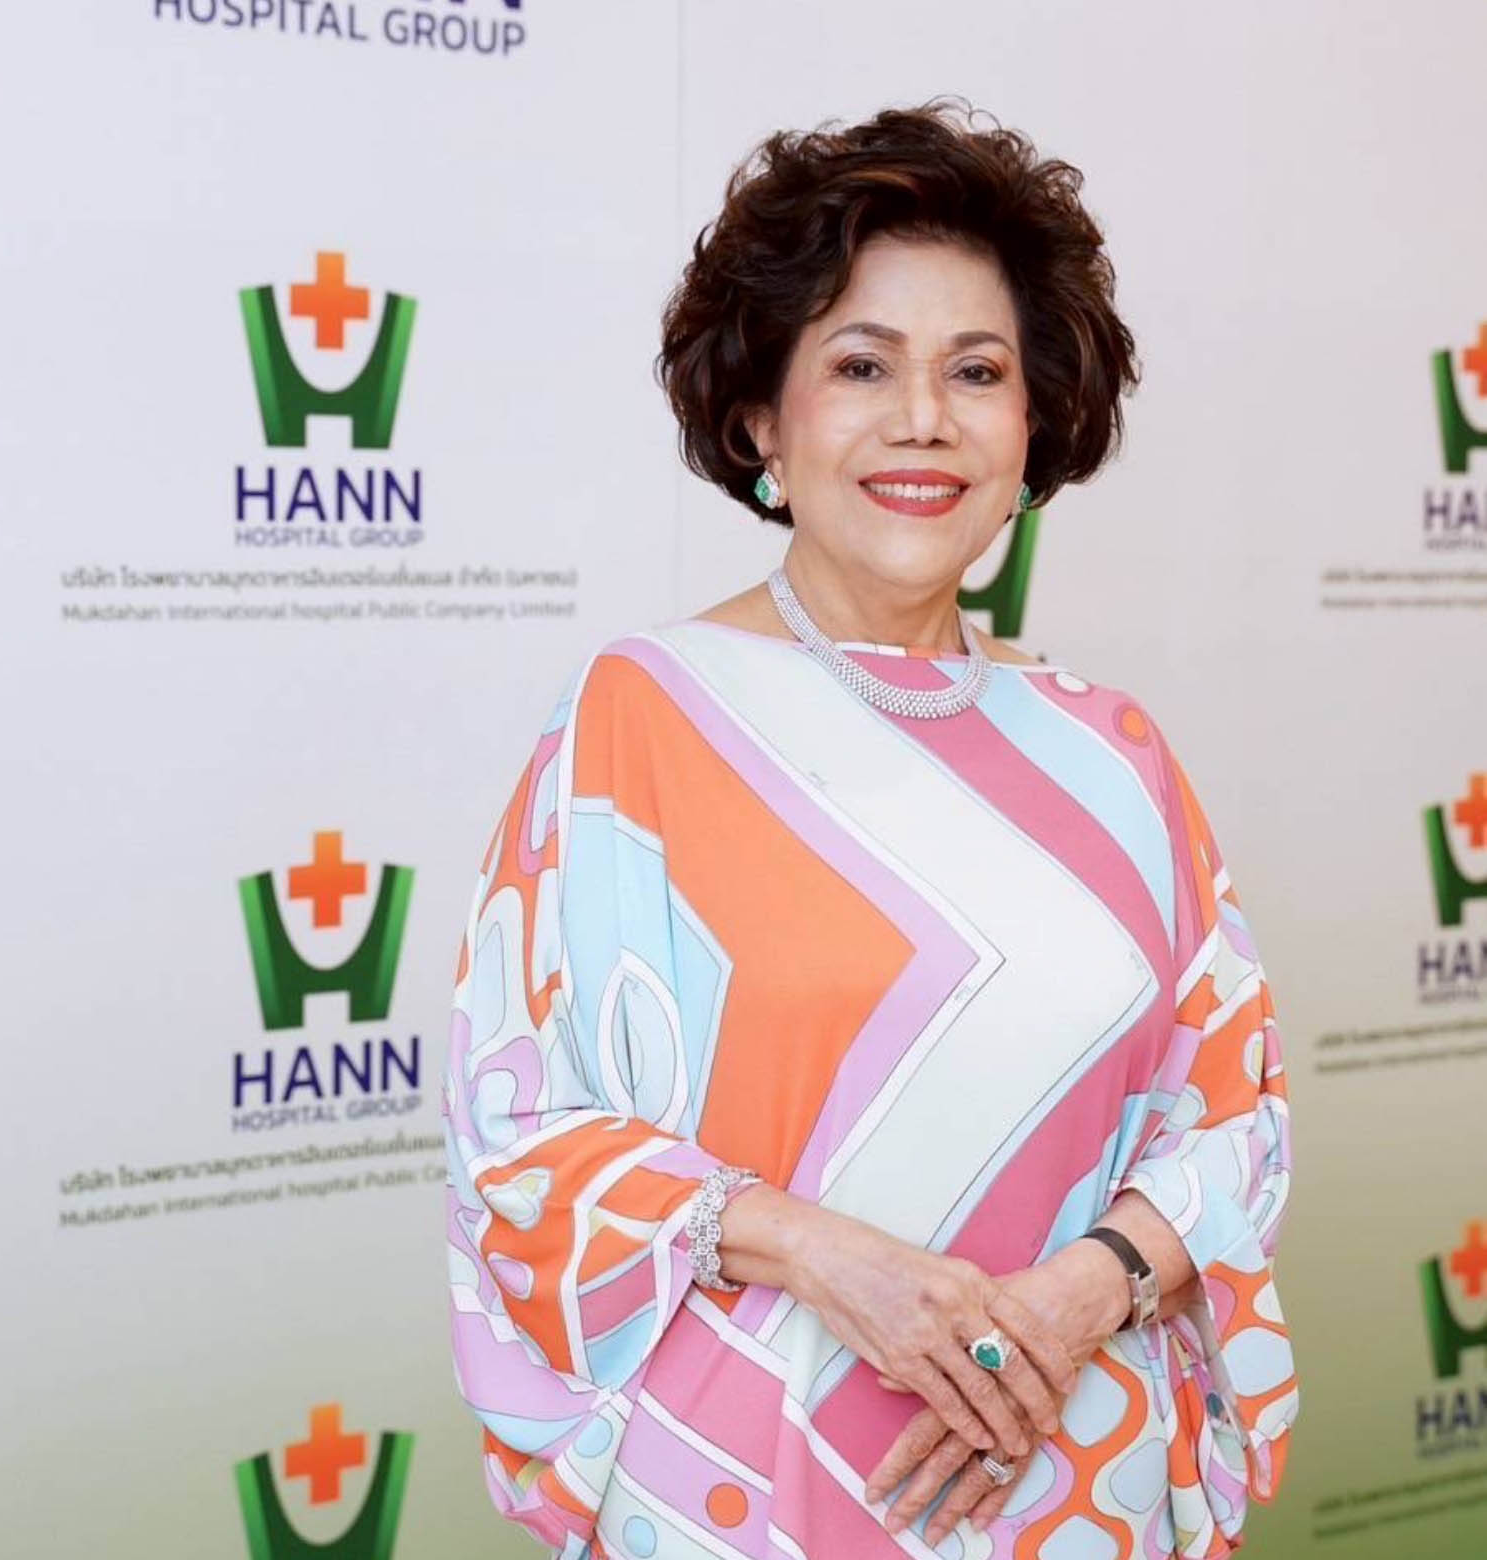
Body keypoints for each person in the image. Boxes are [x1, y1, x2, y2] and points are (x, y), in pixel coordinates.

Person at [443, 98, 1297, 1560]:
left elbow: (1235, 1112)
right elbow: (521, 1134)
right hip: (748, 1471)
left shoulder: (1114, 752)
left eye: (977, 371)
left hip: (1072, 1462)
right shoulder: (644, 718)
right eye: (861, 364)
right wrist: (831, 1260)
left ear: (1034, 426)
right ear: (761, 420)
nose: (924, 419)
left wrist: (1080, 1296)